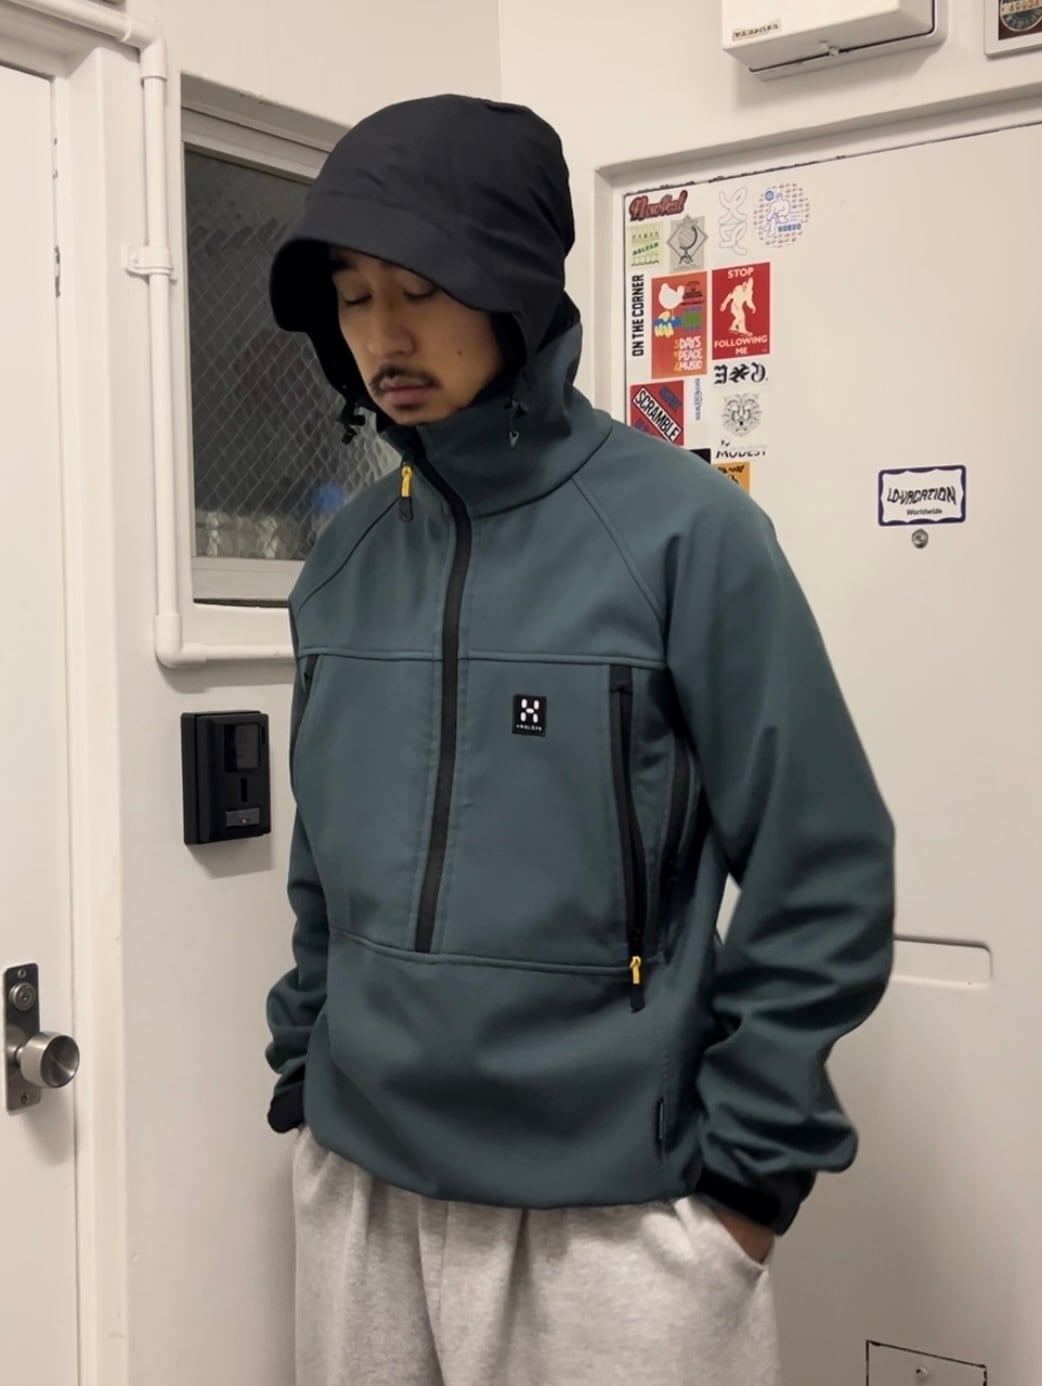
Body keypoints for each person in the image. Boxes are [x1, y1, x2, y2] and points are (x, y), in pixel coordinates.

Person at [265, 94, 894, 1386]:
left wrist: (747, 1183)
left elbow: (822, 866)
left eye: (419, 288)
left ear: (512, 286)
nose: (382, 334)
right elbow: (323, 867)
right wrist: (299, 1072)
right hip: (360, 1188)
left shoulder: (685, 534)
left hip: (619, 1216)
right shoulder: (342, 560)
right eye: (352, 295)